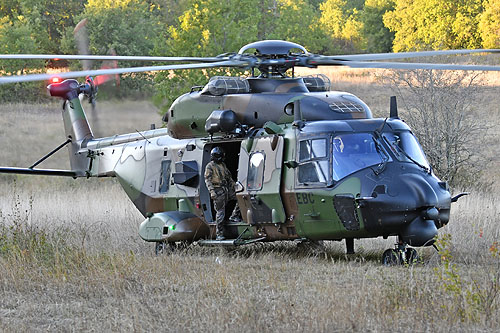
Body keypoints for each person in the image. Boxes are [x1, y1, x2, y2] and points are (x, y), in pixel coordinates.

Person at [204, 147, 241, 240]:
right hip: (217, 190)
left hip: (226, 189)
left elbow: (229, 177)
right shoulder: (210, 166)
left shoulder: (223, 165)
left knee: (239, 198)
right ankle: (219, 234)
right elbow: (207, 181)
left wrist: (234, 186)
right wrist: (212, 192)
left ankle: (234, 216)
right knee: (220, 212)